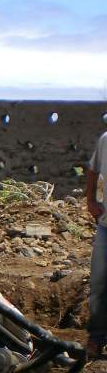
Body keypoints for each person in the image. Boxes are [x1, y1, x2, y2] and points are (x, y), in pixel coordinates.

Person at [84, 132, 107, 359]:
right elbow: (93, 170)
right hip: (106, 225)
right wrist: (90, 200)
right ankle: (96, 338)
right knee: (99, 282)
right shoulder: (105, 139)